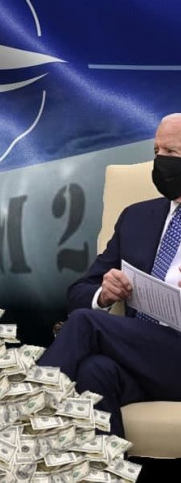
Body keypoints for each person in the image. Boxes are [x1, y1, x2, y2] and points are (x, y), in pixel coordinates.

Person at [39, 112, 181, 438]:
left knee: (85, 324)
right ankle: (105, 465)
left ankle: (23, 410)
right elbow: (79, 292)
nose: (159, 161)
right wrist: (103, 295)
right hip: (142, 357)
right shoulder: (136, 217)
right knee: (94, 372)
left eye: (170, 152)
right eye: (156, 151)